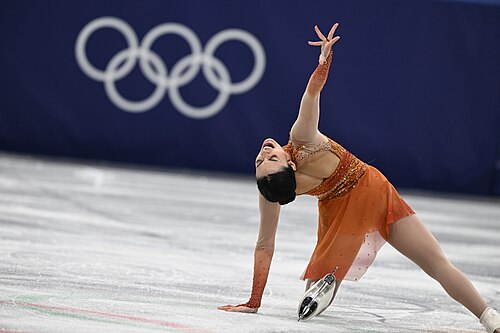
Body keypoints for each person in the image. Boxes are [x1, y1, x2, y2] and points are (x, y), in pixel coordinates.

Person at [218, 22, 500, 333]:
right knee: (315, 290)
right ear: (289, 169)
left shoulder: (302, 139)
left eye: (266, 157)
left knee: (434, 260)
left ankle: (490, 318)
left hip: (372, 191)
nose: (264, 151)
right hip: (340, 207)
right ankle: (323, 283)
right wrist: (253, 301)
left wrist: (324, 61)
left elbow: (312, 95)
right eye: (264, 160)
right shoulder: (271, 189)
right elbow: (265, 244)